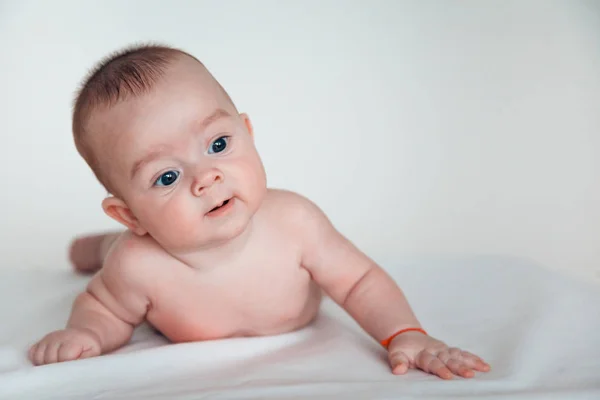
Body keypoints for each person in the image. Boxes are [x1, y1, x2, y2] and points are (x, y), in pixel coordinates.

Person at [28, 44, 490, 380]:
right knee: (110, 254)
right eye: (167, 177)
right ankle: (93, 244)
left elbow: (359, 281)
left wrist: (403, 333)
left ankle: (98, 239)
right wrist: (86, 333)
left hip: (161, 237)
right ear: (130, 216)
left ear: (247, 133)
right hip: (136, 246)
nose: (205, 178)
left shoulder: (295, 223)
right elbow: (103, 305)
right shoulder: (137, 262)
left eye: (218, 144)